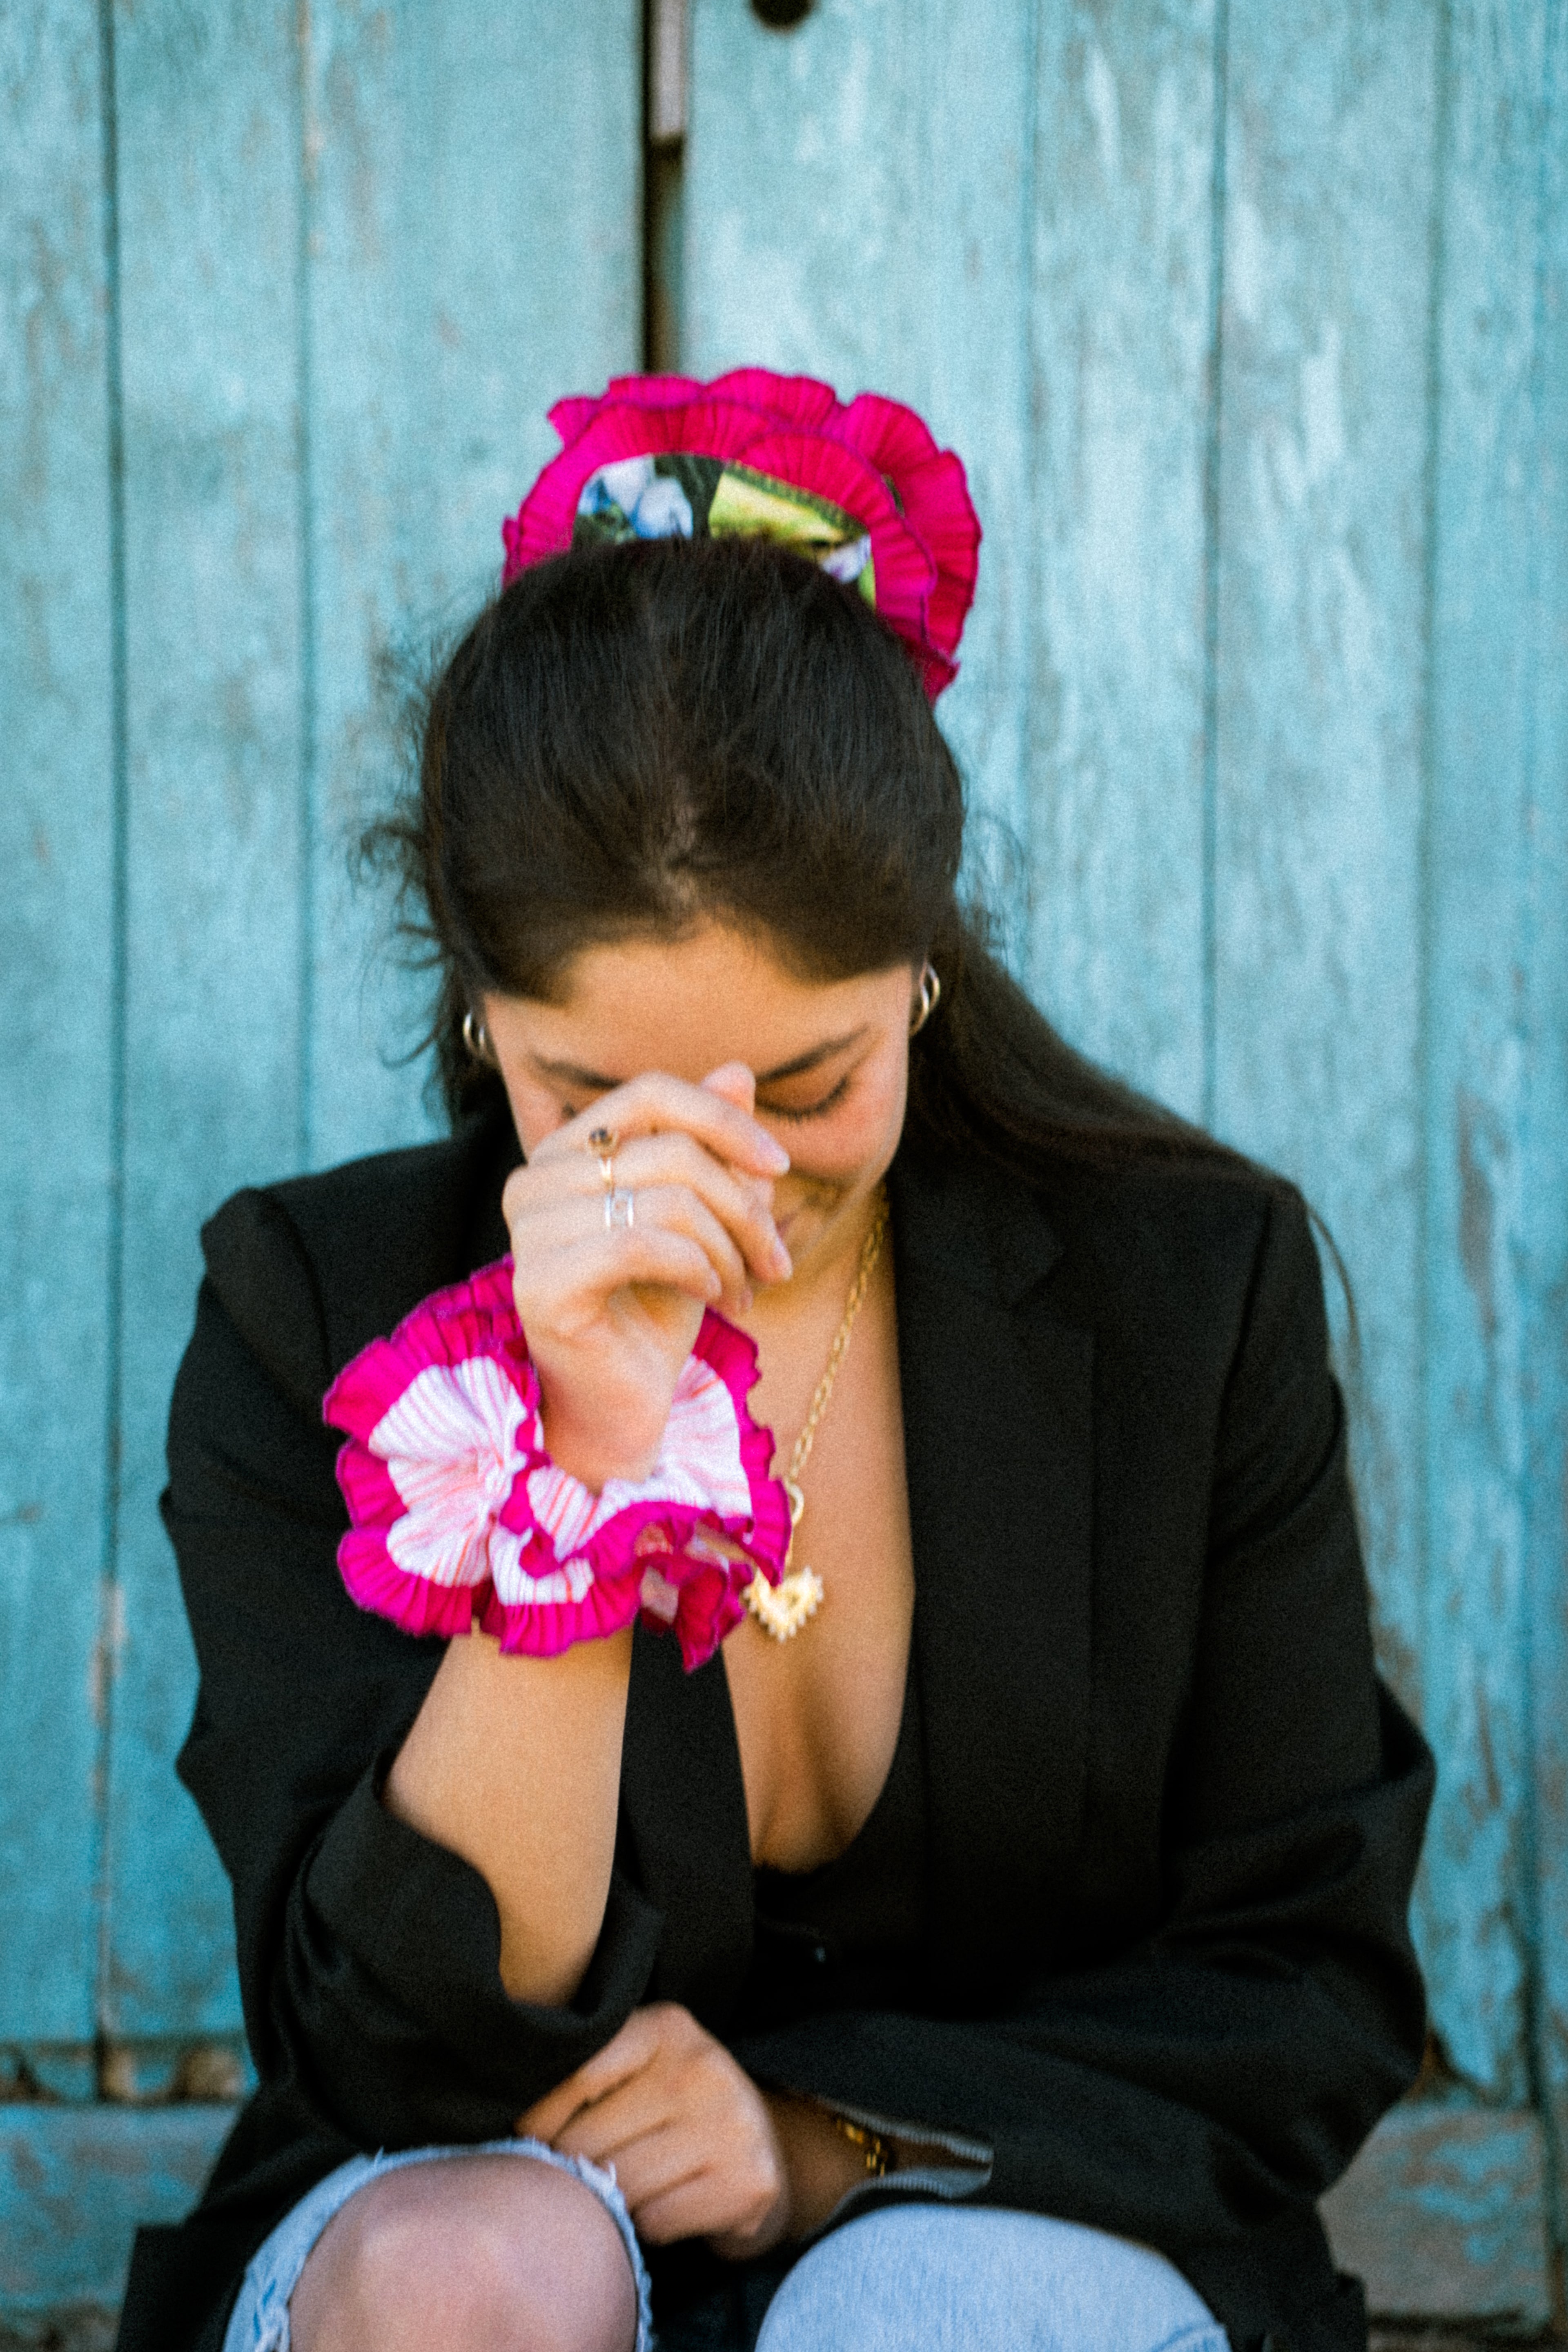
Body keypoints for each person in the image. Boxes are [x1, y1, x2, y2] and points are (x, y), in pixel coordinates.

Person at [116, 371, 1432, 2352]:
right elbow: (392, 2054)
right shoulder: (309, 1310)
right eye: (596, 1101)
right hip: (477, 2210)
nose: (721, 1177)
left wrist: (835, 2138)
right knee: (474, 2271)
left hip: (1004, 2215)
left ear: (920, 970)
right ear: (481, 1018)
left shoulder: (1190, 1291)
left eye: (809, 1085)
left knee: (926, 2309)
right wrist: (580, 1456)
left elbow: (1303, 1974)